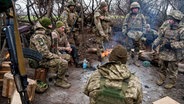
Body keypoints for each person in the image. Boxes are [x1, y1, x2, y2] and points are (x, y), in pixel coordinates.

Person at [29, 17, 71, 89]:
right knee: (63, 63)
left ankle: (59, 75)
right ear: (44, 26)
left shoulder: (46, 34)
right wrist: (57, 57)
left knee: (67, 57)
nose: (51, 27)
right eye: (49, 26)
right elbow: (44, 53)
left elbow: (53, 48)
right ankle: (59, 81)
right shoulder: (38, 37)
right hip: (39, 61)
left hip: (46, 57)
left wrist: (58, 54)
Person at [153, 10, 184, 89]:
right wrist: (155, 43)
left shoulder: (181, 30)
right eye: (169, 18)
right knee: (162, 66)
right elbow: (160, 37)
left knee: (172, 69)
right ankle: (161, 78)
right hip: (164, 51)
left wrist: (172, 45)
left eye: (171, 19)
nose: (169, 20)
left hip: (174, 54)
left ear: (176, 20)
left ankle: (171, 82)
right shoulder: (167, 26)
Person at [122, 2, 146, 66]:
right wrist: (125, 31)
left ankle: (135, 61)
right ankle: (128, 60)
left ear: (138, 9)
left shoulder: (141, 16)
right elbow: (125, 24)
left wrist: (143, 33)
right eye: (134, 8)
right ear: (131, 9)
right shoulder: (128, 16)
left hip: (138, 34)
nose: (135, 9)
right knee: (128, 48)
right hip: (130, 33)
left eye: (136, 8)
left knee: (137, 48)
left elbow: (144, 25)